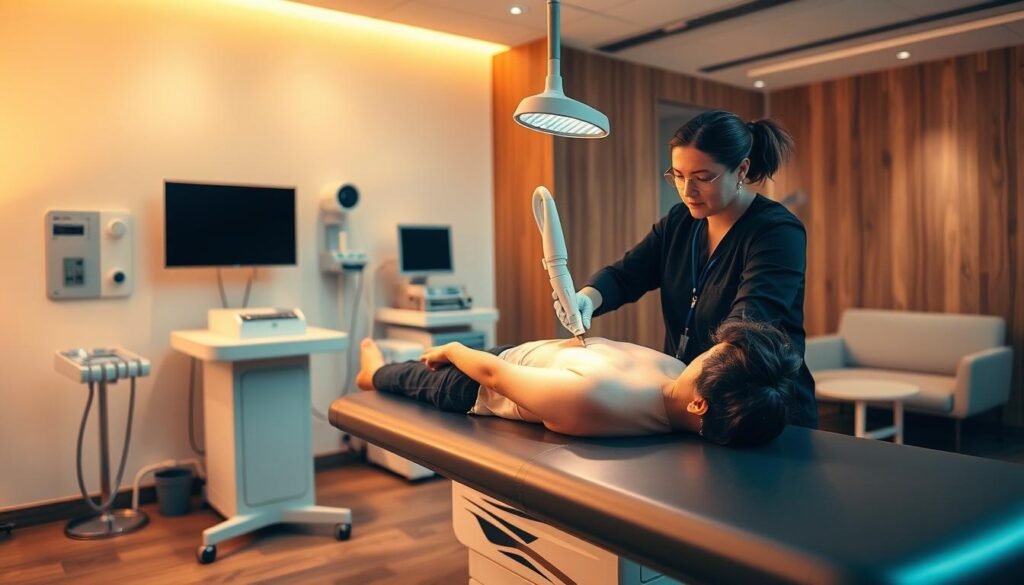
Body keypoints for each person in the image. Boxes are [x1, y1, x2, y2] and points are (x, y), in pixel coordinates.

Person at [555, 110, 817, 427]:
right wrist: (588, 297)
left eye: (703, 177)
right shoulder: (680, 222)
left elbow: (750, 321)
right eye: (678, 175)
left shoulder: (777, 231)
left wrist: (671, 393)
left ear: (741, 170)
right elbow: (626, 275)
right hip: (693, 405)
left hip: (759, 409)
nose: (687, 190)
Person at [355, 320, 801, 446]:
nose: (704, 350)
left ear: (700, 406)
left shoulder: (599, 400)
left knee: (403, 375)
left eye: (711, 356)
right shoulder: (678, 382)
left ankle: (372, 373)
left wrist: (450, 349)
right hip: (523, 354)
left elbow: (493, 375)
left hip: (474, 384)